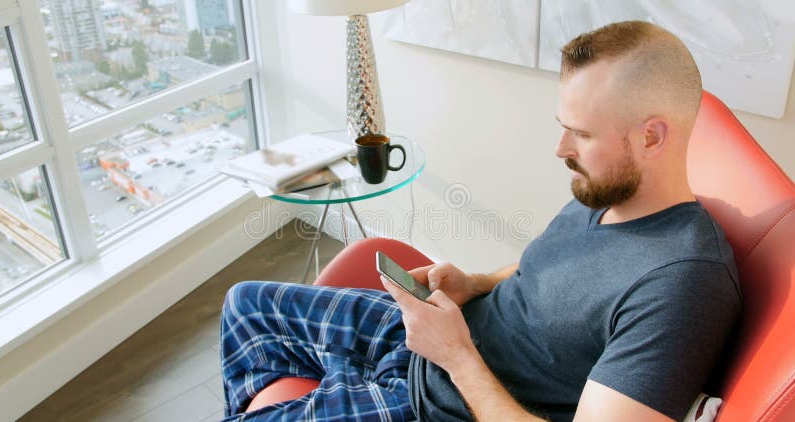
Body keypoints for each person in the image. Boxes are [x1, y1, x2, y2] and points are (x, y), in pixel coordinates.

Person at [219, 20, 742, 421]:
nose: (560, 148)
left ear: (652, 137)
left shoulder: (684, 284)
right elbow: (554, 270)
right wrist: (477, 282)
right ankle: (339, 376)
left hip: (436, 403)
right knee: (244, 305)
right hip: (435, 340)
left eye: (580, 134)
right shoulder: (607, 191)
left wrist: (457, 356)